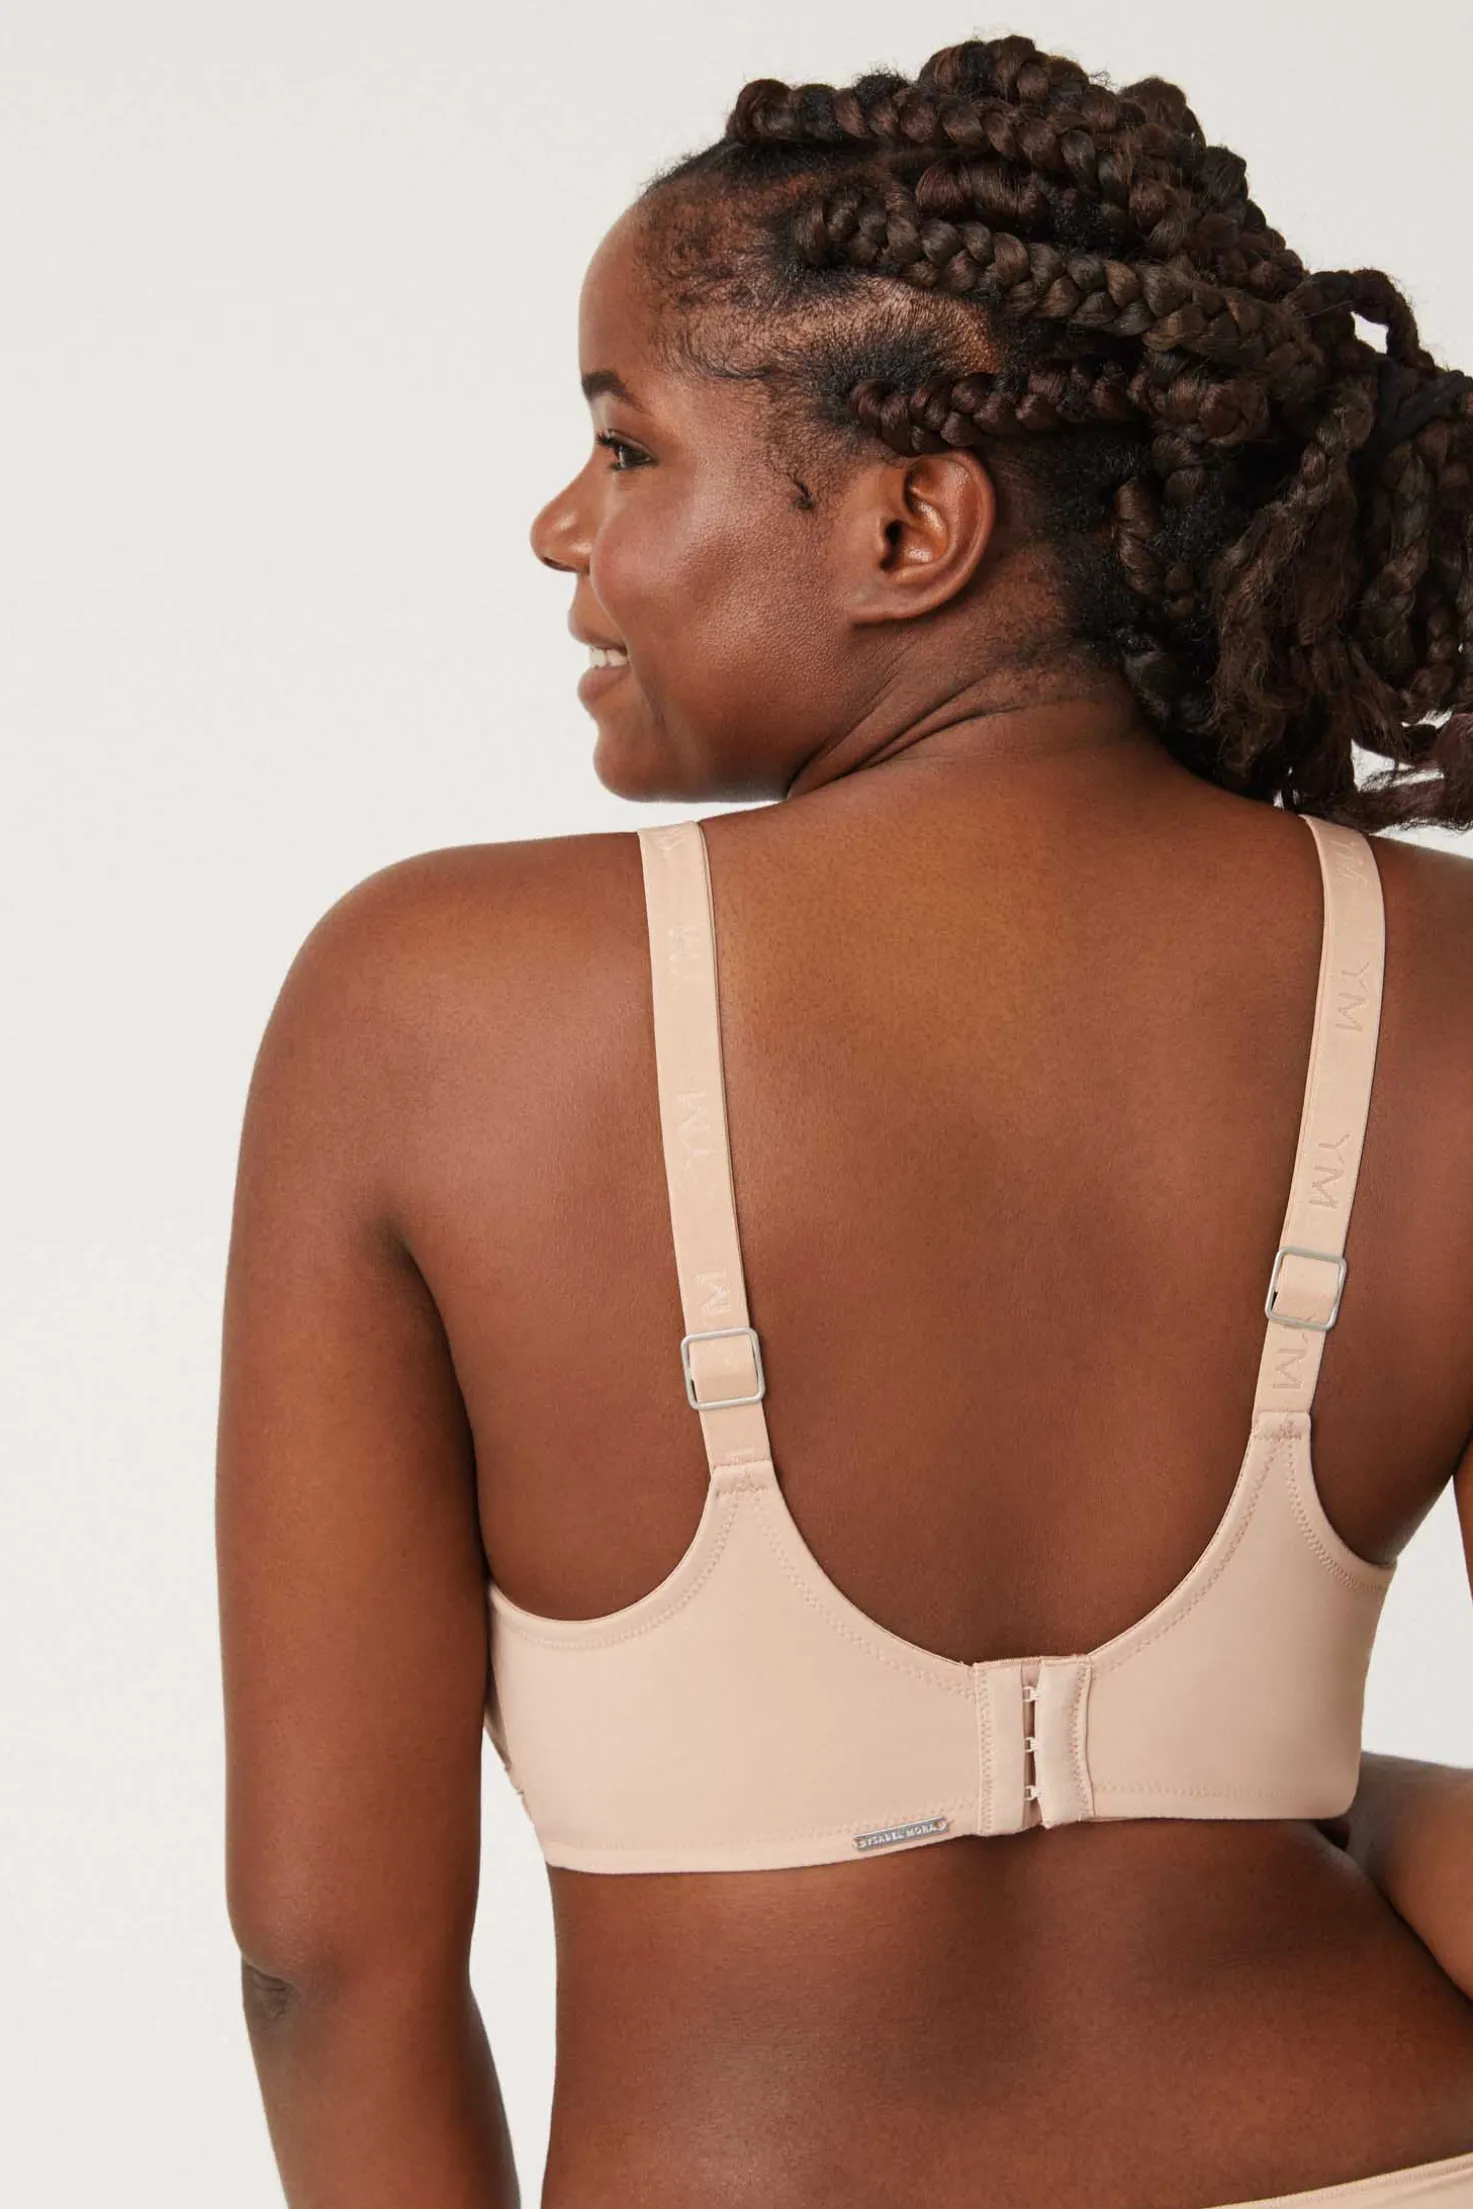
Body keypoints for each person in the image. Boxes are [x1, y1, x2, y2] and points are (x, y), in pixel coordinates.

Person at [215, 30, 1473, 2209]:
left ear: (911, 523)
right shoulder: (1444, 992)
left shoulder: (429, 1010)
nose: (561, 527)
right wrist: (1345, 1809)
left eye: (625, 444)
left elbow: (327, 1966)